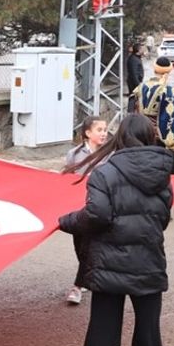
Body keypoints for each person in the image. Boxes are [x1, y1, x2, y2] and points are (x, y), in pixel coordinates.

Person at [58, 113, 173, 346]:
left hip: (109, 260)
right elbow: (164, 217)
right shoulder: (163, 172)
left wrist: (68, 221)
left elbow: (97, 215)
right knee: (148, 325)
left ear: (120, 136)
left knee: (104, 328)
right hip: (148, 257)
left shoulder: (104, 173)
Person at [61, 115, 109, 305]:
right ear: (88, 133)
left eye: (105, 130)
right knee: (80, 247)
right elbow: (67, 177)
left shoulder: (110, 154)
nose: (104, 134)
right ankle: (89, 276)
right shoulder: (74, 154)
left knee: (88, 245)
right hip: (78, 206)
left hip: (98, 206)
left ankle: (77, 286)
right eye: (100, 130)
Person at [139, 57, 174, 170]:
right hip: (160, 140)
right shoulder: (169, 92)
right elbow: (171, 117)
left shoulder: (140, 88)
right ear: (169, 71)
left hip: (143, 135)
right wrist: (171, 141)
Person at [125, 43, 145, 112]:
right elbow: (134, 73)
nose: (143, 50)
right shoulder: (133, 59)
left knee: (135, 98)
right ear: (138, 50)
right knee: (133, 97)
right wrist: (138, 84)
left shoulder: (136, 58)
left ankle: (134, 112)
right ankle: (131, 112)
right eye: (142, 49)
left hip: (135, 81)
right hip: (133, 82)